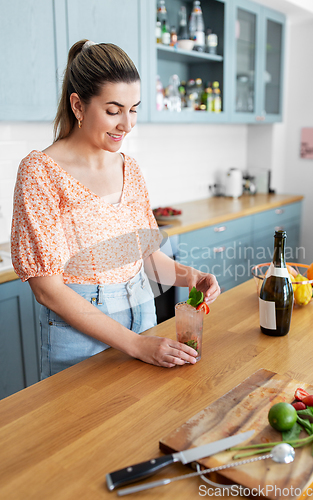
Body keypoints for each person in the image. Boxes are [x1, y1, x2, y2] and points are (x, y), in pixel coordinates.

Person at [11, 40, 220, 378]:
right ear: (78, 106)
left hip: (143, 314)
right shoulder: (41, 171)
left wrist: (192, 277)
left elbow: (148, 258)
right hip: (80, 336)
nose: (127, 124)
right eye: (113, 110)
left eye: (133, 108)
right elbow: (47, 289)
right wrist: (136, 345)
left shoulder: (130, 168)